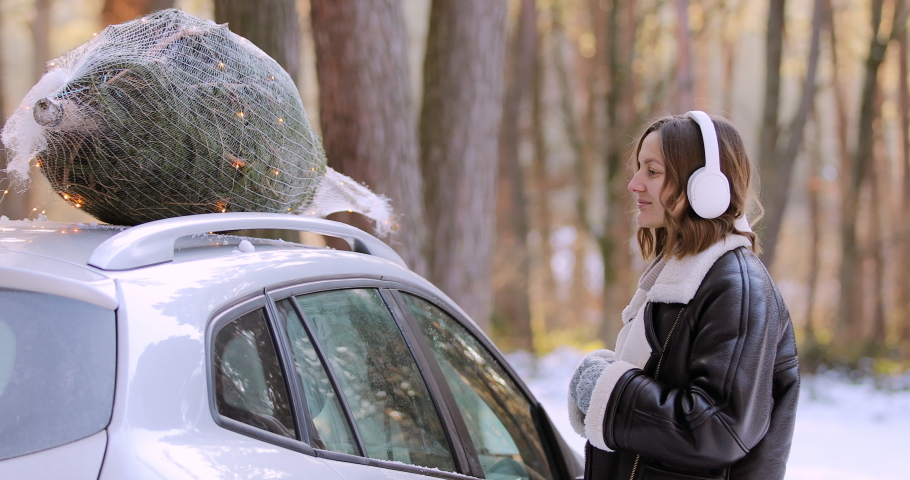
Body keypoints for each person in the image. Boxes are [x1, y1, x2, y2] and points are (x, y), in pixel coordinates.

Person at [568, 111, 799, 480]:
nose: (634, 184)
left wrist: (611, 394)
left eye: (652, 171)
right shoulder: (683, 275)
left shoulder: (735, 287)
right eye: (639, 169)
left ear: (704, 185)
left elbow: (717, 429)